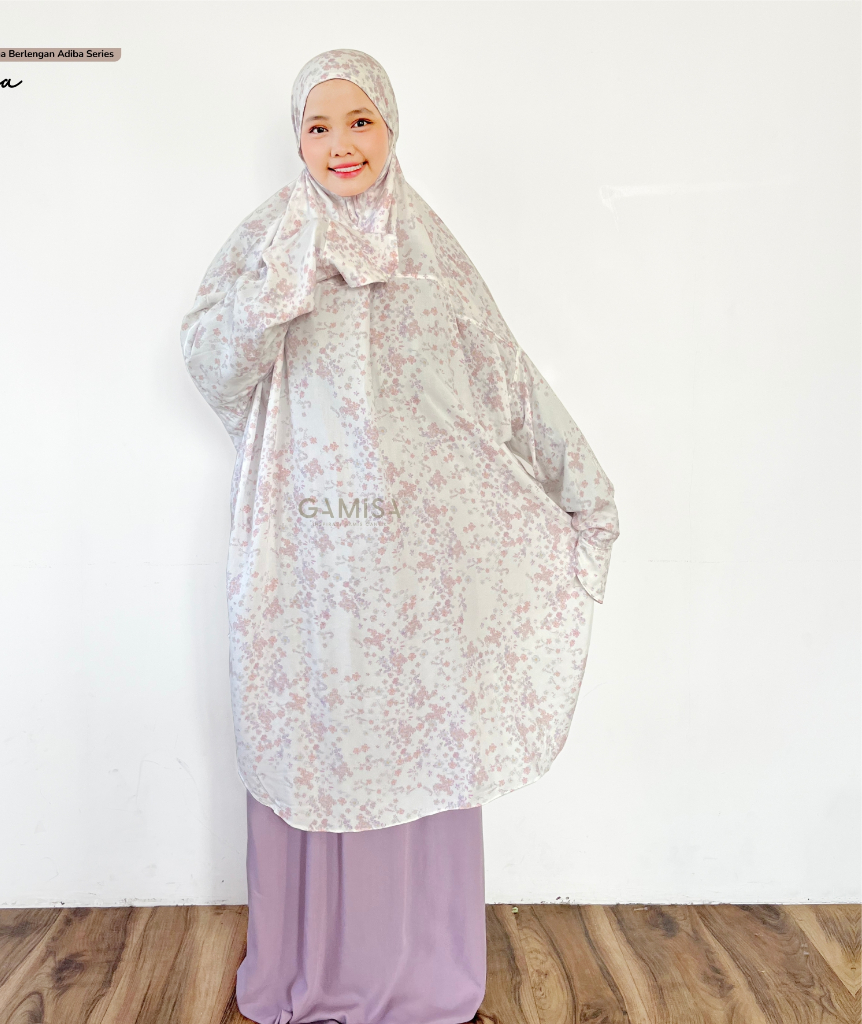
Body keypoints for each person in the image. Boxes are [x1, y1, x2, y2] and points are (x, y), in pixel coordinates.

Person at [181, 48, 620, 1024]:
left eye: (360, 121)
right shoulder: (269, 240)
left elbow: (505, 382)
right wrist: (278, 288)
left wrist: (578, 486)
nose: (341, 145)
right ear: (297, 140)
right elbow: (211, 363)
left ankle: (422, 975)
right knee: (308, 745)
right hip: (300, 561)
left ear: (390, 128)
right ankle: (308, 970)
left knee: (419, 741)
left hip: (416, 576)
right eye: (318, 126)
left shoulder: (431, 254)